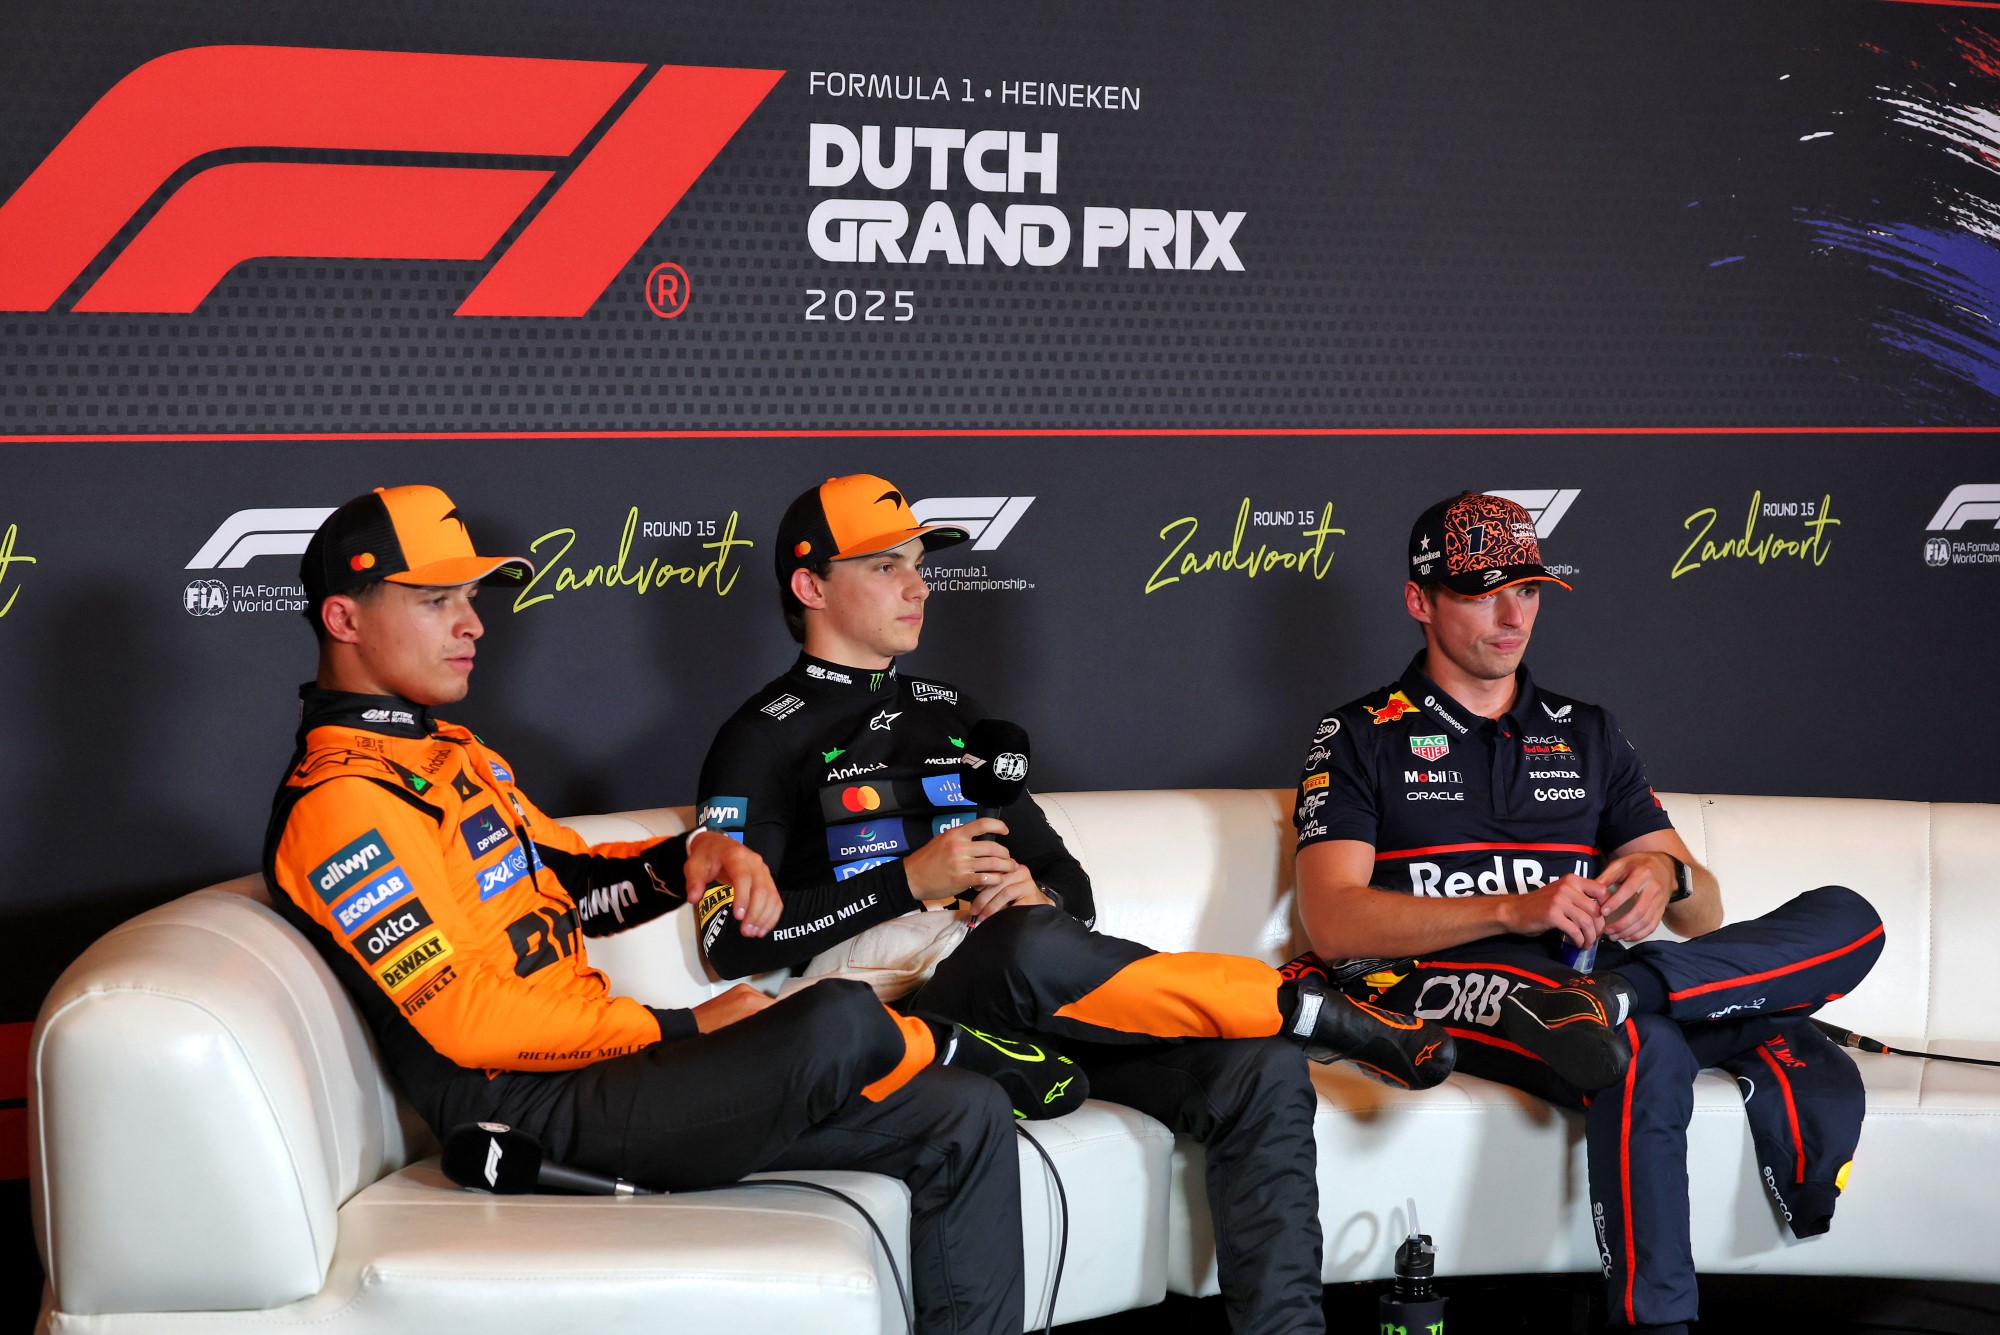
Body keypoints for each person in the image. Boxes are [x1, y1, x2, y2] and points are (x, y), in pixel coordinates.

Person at [263, 484, 1063, 1335]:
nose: (473, 624)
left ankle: (955, 1056)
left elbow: (569, 879)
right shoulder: (341, 798)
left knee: (965, 1114)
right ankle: (948, 1030)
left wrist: (688, 860)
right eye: (436, 601)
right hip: (526, 1105)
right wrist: (683, 1026)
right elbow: (466, 1021)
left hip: (597, 1076)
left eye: (469, 598)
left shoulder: (444, 750)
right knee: (834, 1015)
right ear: (345, 619)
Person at [694, 473, 1457, 1335]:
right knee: (1023, 943)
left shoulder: (957, 714)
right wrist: (908, 880)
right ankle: (1307, 1009)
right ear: (810, 586)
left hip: (1032, 1006)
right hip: (910, 1019)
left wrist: (1039, 887)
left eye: (919, 563)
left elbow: (1072, 884)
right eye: (884, 566)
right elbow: (730, 940)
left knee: (1258, 1068)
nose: (917, 585)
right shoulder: (761, 734)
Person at [1288, 491, 1884, 1335]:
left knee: (1851, 916)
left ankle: (1623, 996)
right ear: (1420, 600)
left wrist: (1660, 873)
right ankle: (1657, 1324)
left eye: (1527, 590)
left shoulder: (1586, 731)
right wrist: (1516, 907)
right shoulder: (1357, 734)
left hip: (1592, 982)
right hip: (1438, 983)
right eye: (1482, 591)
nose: (1512, 613)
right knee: (1640, 1045)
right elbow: (1336, 924)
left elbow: (1704, 911)